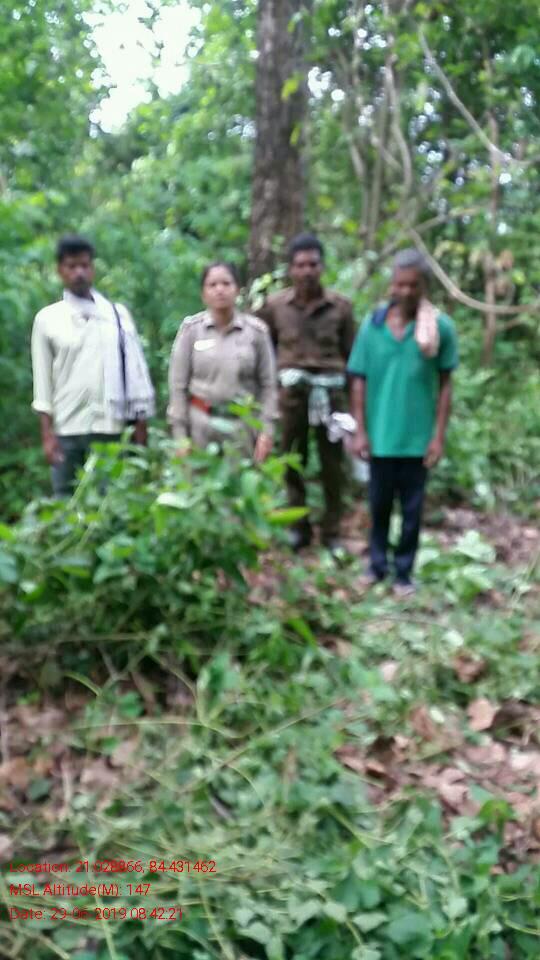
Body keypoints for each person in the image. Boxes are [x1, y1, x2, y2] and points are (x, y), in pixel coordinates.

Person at [348, 248, 459, 596]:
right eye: (400, 284)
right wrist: (360, 431)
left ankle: (404, 574)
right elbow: (359, 379)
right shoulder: (373, 326)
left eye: (413, 285)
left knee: (412, 512)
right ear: (391, 285)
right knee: (378, 506)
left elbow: (445, 383)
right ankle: (376, 566)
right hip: (380, 437)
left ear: (424, 286)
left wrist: (438, 436)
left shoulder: (439, 329)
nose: (406, 291)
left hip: (417, 439)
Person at [31, 234, 155, 497]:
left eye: (85, 265)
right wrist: (47, 435)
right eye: (72, 266)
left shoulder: (116, 316)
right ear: (60, 270)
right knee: (65, 502)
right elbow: (42, 383)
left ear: (93, 268)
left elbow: (135, 373)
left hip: (110, 426)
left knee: (112, 501)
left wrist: (140, 424)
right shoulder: (47, 319)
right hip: (67, 428)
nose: (79, 272)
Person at [257, 233, 356, 551]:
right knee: (291, 460)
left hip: (331, 396)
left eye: (313, 264)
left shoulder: (340, 307)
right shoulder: (275, 307)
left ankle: (332, 531)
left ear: (322, 267)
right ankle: (298, 527)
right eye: (300, 265)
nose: (307, 271)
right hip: (291, 396)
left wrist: (354, 406)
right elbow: (263, 349)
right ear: (291, 269)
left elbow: (352, 356)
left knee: (332, 465)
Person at [167, 262, 277, 460]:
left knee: (239, 478)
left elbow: (269, 385)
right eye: (212, 284)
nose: (220, 290)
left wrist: (266, 431)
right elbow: (178, 386)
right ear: (203, 293)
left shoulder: (256, 332)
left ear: (238, 290)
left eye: (226, 283)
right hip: (200, 425)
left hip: (241, 427)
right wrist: (180, 435)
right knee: (198, 478)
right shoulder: (191, 331)